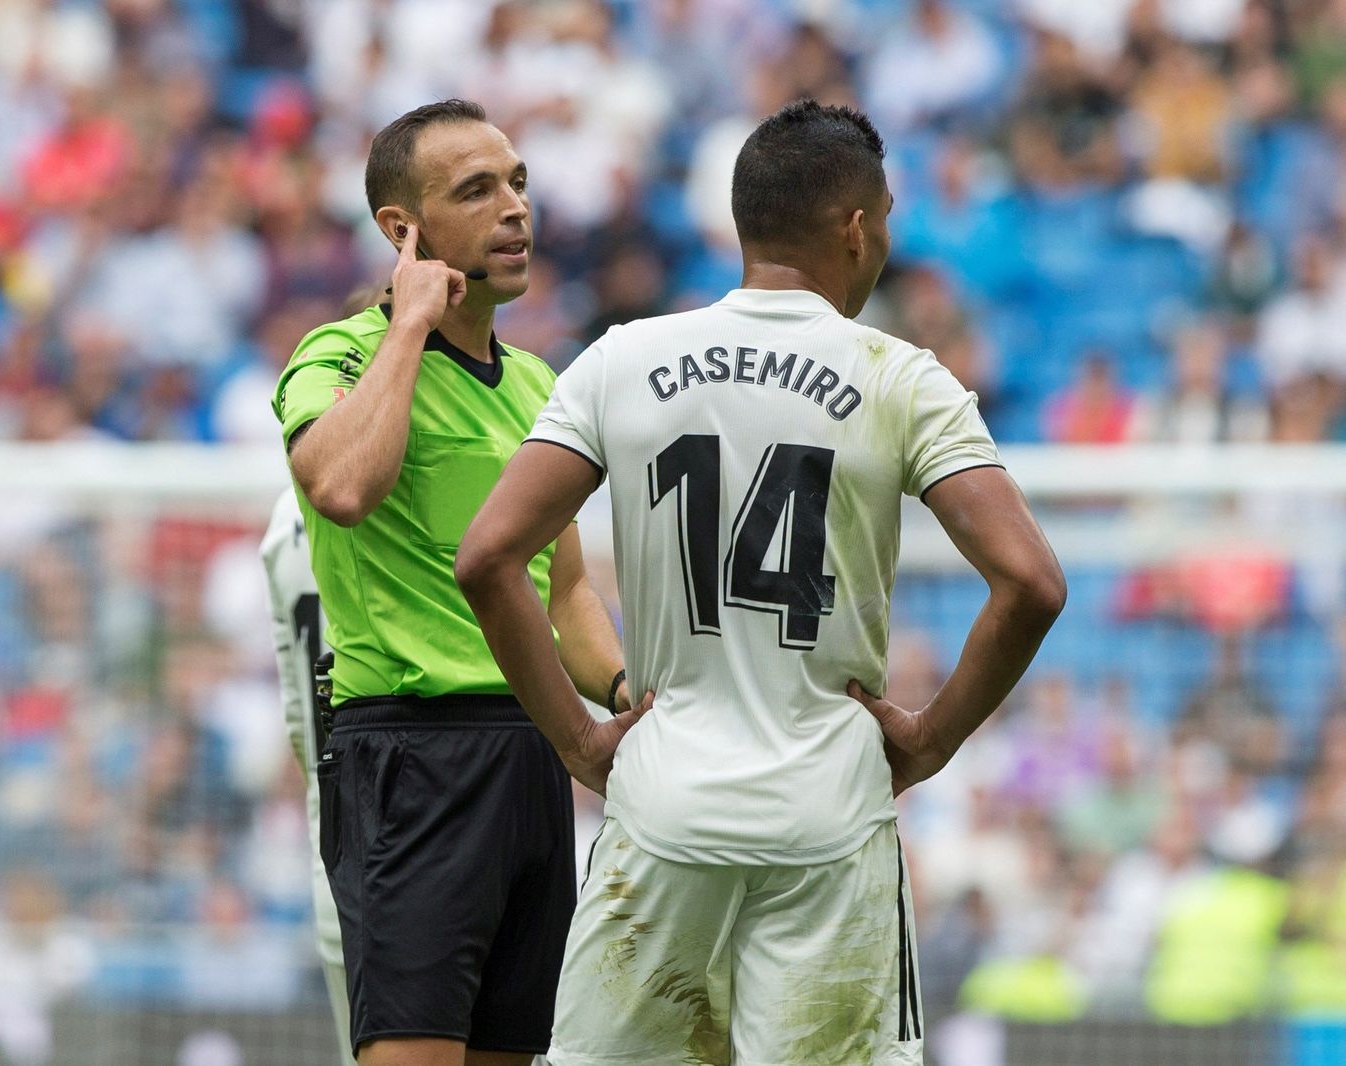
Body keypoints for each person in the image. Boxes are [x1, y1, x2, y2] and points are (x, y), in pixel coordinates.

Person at [456, 100, 1067, 1064]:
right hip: (827, 818)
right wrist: (931, 740)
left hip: (663, 807)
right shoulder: (900, 377)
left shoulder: (622, 360)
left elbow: (488, 557)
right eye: (886, 220)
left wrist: (576, 740)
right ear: (856, 229)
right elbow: (1031, 582)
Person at [271, 99, 642, 1066]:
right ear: (403, 229)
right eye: (476, 191)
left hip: (535, 755)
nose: (514, 208)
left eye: (517, 182)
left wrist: (625, 694)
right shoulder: (338, 355)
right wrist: (409, 325)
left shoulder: (538, 383)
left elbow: (564, 594)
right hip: (410, 756)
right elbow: (342, 488)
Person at [258, 485, 352, 1065]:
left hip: (333, 850)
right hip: (425, 833)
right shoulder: (418, 492)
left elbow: (298, 721)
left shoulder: (284, 520)